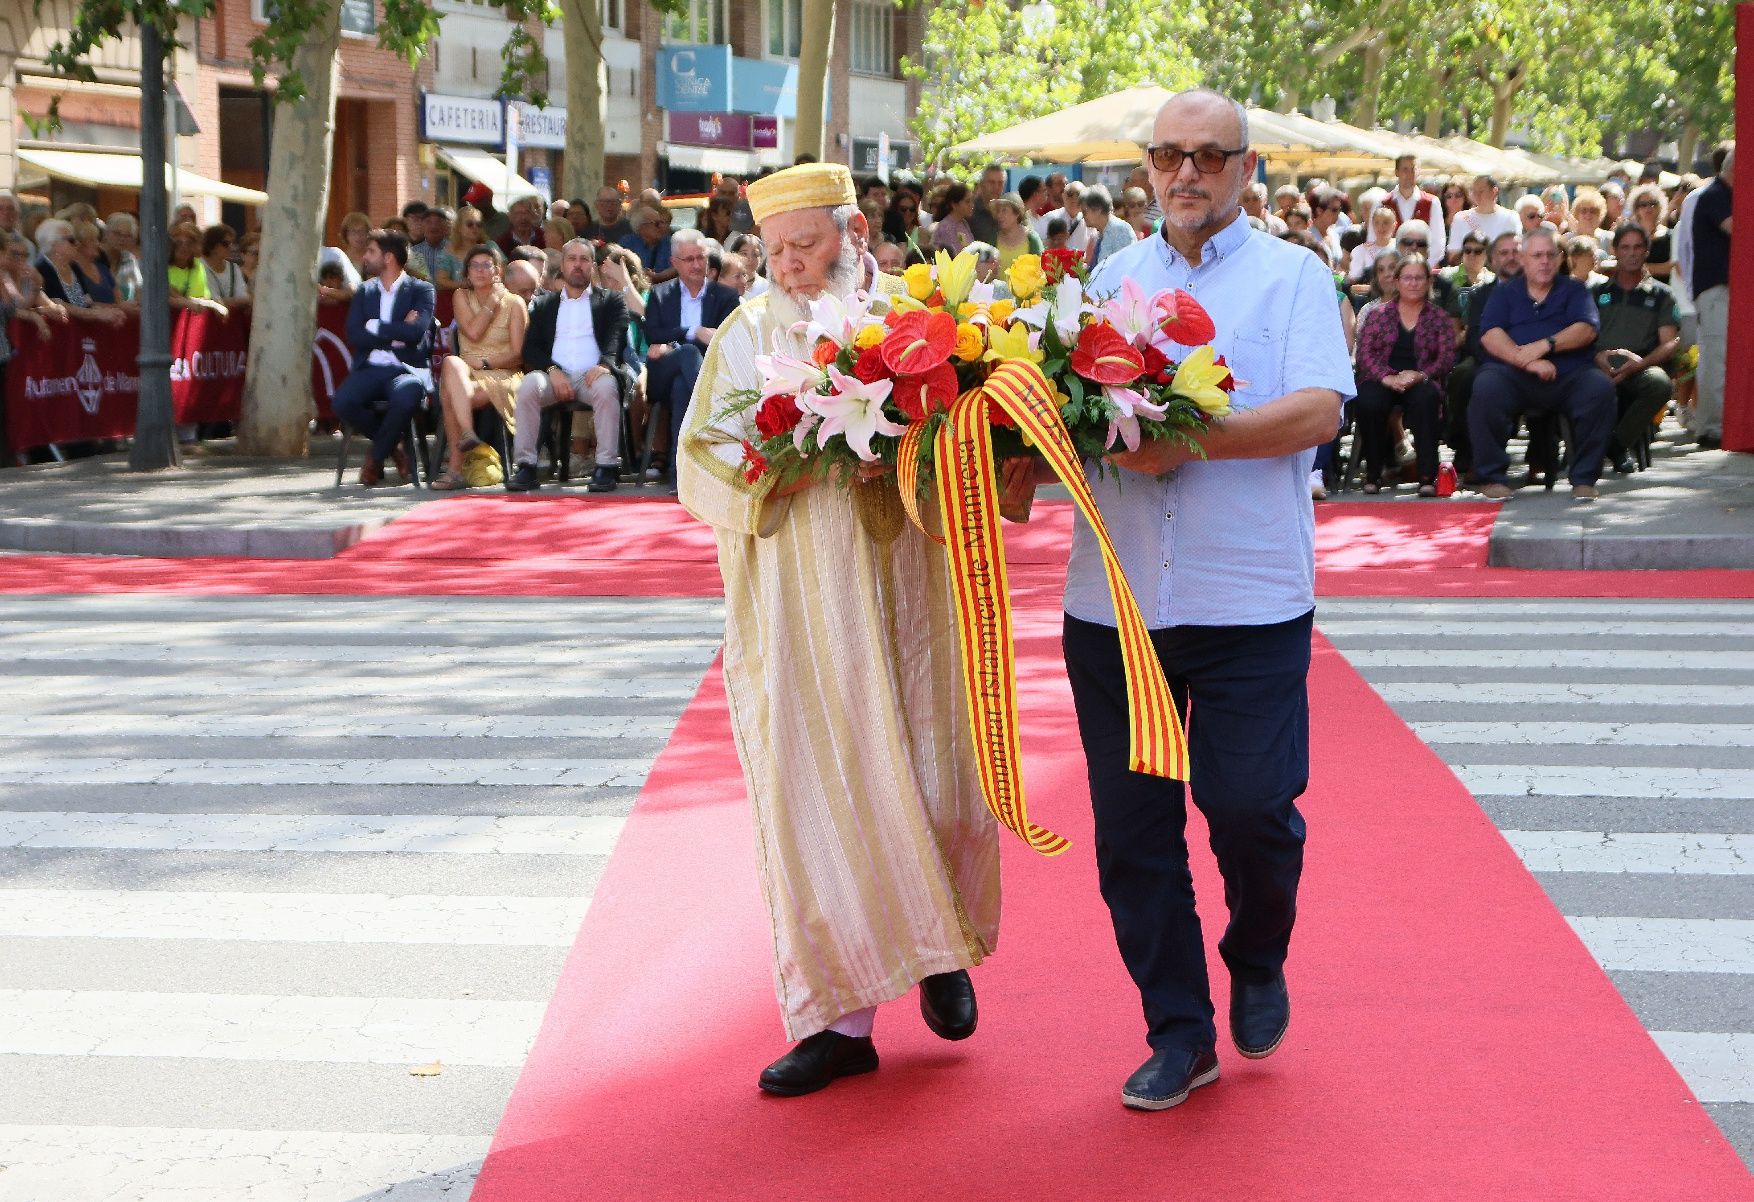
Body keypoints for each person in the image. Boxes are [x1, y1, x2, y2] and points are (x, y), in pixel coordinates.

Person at [1007, 89, 1352, 1113]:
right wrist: (1005, 454)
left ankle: (1256, 949)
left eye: (1209, 155)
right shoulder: (1099, 286)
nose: (1186, 172)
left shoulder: (1293, 275)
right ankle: (1178, 1030)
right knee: (1130, 837)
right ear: (1145, 168)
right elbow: (1054, 414)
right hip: (1110, 605)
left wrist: (1188, 436)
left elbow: (1316, 409)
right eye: (1168, 154)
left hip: (1246, 598)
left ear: (1248, 168)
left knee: (1249, 808)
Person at [676, 161, 997, 1097]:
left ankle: (939, 948)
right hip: (804, 601)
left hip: (912, 584)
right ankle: (839, 1023)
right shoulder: (743, 336)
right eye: (776, 251)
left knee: (930, 765)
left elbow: (970, 430)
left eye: (807, 246)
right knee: (818, 788)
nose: (792, 266)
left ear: (855, 234)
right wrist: (788, 463)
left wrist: (918, 437)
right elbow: (703, 459)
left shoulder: (917, 320)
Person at [1469, 227, 1615, 500]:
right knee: (1486, 386)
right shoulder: (1504, 293)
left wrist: (1545, 346)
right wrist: (1526, 362)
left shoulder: (1575, 290)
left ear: (1560, 259)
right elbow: (1490, 335)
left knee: (1599, 388)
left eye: (1550, 255)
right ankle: (1492, 478)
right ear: (1523, 259)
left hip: (1570, 373)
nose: (1544, 261)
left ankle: (1584, 479)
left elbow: (1587, 329)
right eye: (1537, 255)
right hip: (1513, 374)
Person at [331, 230, 435, 487]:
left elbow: (415, 332)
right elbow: (354, 335)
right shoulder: (364, 292)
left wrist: (376, 325)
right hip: (370, 367)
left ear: (388, 257)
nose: (365, 257)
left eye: (371, 252)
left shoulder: (421, 290)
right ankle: (394, 448)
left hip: (405, 369)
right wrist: (396, 331)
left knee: (406, 397)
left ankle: (376, 456)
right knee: (343, 402)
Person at [1353, 256, 1455, 494]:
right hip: (1383, 379)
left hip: (1421, 379)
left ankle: (1427, 477)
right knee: (1369, 402)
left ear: (1429, 281)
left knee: (1426, 399)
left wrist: (1421, 375)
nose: (1413, 283)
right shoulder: (1378, 315)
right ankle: (1373, 474)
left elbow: (1446, 357)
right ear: (1397, 281)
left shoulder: (1438, 317)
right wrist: (1386, 377)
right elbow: (1364, 354)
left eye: (1419, 278)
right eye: (1407, 278)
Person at [645, 228, 739, 481]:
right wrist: (693, 332)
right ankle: (708, 401)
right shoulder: (660, 294)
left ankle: (681, 477)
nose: (697, 265)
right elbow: (652, 334)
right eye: (689, 259)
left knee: (681, 389)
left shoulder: (726, 296)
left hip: (710, 370)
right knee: (687, 353)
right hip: (663, 371)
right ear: (674, 262)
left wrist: (672, 339)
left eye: (702, 257)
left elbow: (729, 338)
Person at [431, 245, 527, 491]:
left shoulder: (515, 303)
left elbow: (518, 355)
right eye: (475, 265)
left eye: (487, 265)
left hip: (501, 372)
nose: (480, 271)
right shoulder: (461, 296)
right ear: (467, 272)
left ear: (497, 270)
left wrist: (487, 363)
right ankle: (468, 432)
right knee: (452, 362)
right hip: (466, 370)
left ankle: (455, 469)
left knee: (452, 395)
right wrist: (491, 303)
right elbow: (473, 332)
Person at [1592, 223, 1680, 475]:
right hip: (1599, 366)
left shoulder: (1663, 295)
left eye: (1638, 247)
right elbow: (1582, 336)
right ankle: (1581, 447)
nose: (1631, 253)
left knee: (1660, 383)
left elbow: (1669, 343)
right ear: (1615, 251)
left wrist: (1638, 365)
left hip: (1642, 366)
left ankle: (1615, 446)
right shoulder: (1596, 293)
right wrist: (1595, 357)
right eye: (1625, 247)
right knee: (1571, 381)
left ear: (1646, 252)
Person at [1684, 144, 1732, 450]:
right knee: (1716, 355)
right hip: (1715, 290)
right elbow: (1739, 229)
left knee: (1722, 355)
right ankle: (1711, 427)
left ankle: (1717, 424)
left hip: (1724, 290)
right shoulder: (1715, 195)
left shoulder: (1723, 194)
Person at [33, 219, 126, 328]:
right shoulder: (41, 269)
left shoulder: (74, 266)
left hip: (81, 330)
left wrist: (110, 312)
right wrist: (96, 314)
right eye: (71, 240)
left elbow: (87, 302)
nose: (77, 243)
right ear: (53, 244)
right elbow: (55, 304)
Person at [1385, 154, 1445, 263]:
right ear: (1396, 172)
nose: (1409, 174)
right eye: (1405, 169)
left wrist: (1423, 268)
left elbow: (1438, 242)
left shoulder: (1432, 202)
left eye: (1413, 169)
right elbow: (1375, 242)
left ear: (1419, 172)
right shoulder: (1382, 203)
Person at [1446, 176, 1518, 264]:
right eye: (1473, 191)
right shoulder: (1461, 218)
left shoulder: (1510, 217)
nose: (1477, 195)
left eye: (1481, 191)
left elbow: (1514, 252)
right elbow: (1453, 254)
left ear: (1494, 191)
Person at [1082, 184, 1135, 268]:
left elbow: (1124, 267)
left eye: (1084, 211)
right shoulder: (1101, 233)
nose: (1083, 216)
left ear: (1098, 210)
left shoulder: (1120, 230)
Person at [1627, 184, 1673, 281]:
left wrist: (1641, 268)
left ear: (1660, 206)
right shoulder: (1628, 236)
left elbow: (1673, 267)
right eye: (1643, 204)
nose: (1648, 208)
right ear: (1636, 209)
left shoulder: (1671, 236)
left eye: (1653, 203)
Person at [620, 206, 676, 283]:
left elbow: (678, 267)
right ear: (642, 226)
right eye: (657, 224)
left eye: (661, 222)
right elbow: (620, 266)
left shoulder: (670, 242)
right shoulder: (627, 243)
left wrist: (658, 277)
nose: (661, 226)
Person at [1347, 203, 1400, 283]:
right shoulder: (1362, 250)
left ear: (1394, 225)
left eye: (1385, 223)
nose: (1380, 227)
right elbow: (1354, 280)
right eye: (1377, 223)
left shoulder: (1401, 247)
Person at [989, 193, 1042, 269]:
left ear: (1017, 213)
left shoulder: (1032, 239)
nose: (999, 215)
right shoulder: (994, 239)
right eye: (998, 211)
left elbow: (1040, 269)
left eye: (1004, 211)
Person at [201, 223, 247, 303]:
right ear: (212, 244)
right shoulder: (199, 266)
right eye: (226, 244)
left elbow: (243, 296)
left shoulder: (233, 267)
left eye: (232, 243)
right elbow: (211, 299)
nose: (231, 247)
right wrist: (235, 301)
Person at [930, 182, 975, 255]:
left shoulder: (963, 223)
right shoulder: (945, 227)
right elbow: (953, 255)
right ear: (954, 204)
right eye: (967, 202)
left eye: (972, 200)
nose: (972, 205)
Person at [968, 161, 1007, 245]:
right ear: (982, 184)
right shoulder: (970, 210)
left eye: (1000, 183)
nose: (996, 187)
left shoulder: (1011, 209)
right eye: (991, 182)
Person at [336, 211, 373, 278]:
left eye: (362, 231)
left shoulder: (375, 258)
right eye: (353, 232)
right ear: (346, 234)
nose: (358, 236)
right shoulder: (340, 259)